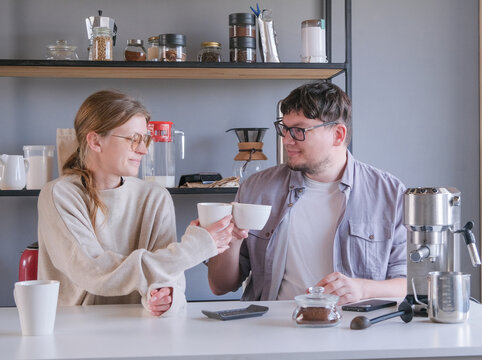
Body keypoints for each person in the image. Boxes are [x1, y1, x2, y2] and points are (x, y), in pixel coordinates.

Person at [207, 81, 407, 305]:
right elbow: (220, 286)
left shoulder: (390, 193)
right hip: (270, 329)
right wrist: (228, 242)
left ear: (338, 135)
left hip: (354, 328)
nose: (286, 140)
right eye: (284, 128)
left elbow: (409, 283)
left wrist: (362, 289)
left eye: (299, 131)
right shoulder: (256, 188)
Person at [38, 89, 233, 316]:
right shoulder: (59, 195)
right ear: (95, 141)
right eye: (133, 139)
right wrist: (192, 250)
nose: (143, 150)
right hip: (74, 329)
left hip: (141, 325)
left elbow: (170, 276)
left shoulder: (155, 197)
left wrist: (167, 296)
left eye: (145, 139)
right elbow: (94, 272)